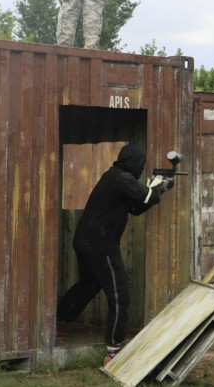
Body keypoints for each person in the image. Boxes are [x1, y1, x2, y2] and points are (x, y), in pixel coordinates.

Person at [57, 143, 171, 365]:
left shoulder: (115, 178)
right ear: (135, 163)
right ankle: (113, 349)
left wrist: (158, 189)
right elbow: (149, 196)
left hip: (86, 241)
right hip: (100, 245)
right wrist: (157, 188)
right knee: (120, 296)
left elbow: (137, 208)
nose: (141, 169)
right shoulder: (120, 178)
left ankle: (59, 317)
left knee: (90, 283)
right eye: (141, 165)